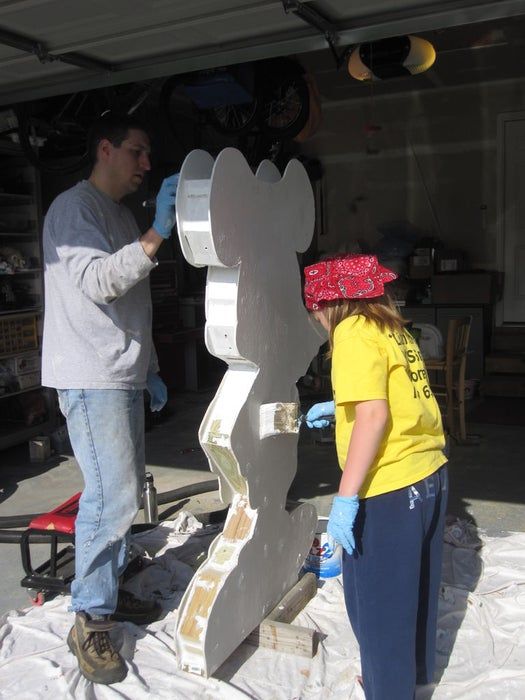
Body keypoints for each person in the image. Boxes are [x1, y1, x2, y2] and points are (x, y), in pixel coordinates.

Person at [41, 113, 179, 685]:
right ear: (105, 149)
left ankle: (110, 590)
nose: (146, 165)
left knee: (125, 494)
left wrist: (148, 366)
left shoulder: (121, 215)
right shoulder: (74, 211)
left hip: (119, 373)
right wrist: (156, 234)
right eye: (137, 152)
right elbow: (99, 282)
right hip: (91, 373)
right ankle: (91, 620)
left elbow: (131, 304)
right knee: (109, 497)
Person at [303, 254, 448, 700]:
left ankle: (388, 688)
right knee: (418, 589)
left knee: (378, 606)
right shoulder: (392, 328)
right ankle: (414, 677)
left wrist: (345, 499)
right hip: (431, 476)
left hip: (389, 490)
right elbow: (395, 395)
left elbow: (373, 414)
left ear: (324, 306)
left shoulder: (350, 334)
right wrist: (342, 407)